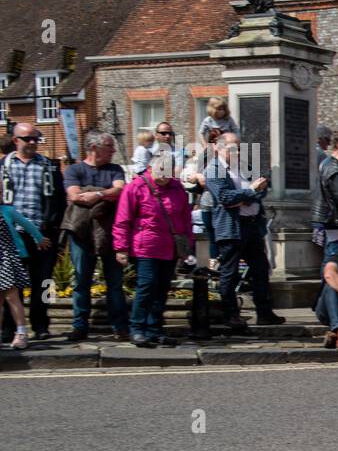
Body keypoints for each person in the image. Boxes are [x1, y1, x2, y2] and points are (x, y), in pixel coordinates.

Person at [112, 147, 195, 347]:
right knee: (146, 286)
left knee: (162, 289)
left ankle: (154, 329)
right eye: (161, 170)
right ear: (151, 167)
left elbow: (185, 219)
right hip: (145, 246)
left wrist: (187, 247)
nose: (164, 176)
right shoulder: (136, 187)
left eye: (168, 171)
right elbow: (123, 219)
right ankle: (137, 328)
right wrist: (121, 248)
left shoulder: (177, 189)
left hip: (169, 247)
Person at [205, 131, 285, 330]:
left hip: (252, 225)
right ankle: (231, 315)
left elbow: (262, 187)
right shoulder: (214, 170)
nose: (238, 152)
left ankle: (264, 313)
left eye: (240, 148)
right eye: (233, 148)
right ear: (220, 149)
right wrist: (250, 192)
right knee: (229, 274)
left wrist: (249, 194)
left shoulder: (244, 167)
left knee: (260, 270)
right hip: (232, 227)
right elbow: (225, 198)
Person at [0, 122, 65, 342]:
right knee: (10, 283)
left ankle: (41, 324)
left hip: (42, 235)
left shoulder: (50, 166)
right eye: (27, 139)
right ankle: (9, 328)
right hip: (10, 235)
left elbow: (59, 200)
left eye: (36, 138)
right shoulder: (3, 165)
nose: (33, 143)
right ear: (16, 140)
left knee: (44, 282)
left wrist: (53, 229)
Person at [63, 131, 129, 341]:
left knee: (115, 283)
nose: (113, 150)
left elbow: (120, 191)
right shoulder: (74, 169)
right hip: (82, 232)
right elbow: (74, 196)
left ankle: (119, 326)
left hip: (110, 232)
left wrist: (96, 194)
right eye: (109, 146)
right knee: (82, 280)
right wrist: (106, 194)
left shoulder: (115, 169)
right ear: (94, 147)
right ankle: (79, 326)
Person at [0, 200, 52, 349]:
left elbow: (27, 224)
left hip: (7, 259)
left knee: (12, 297)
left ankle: (21, 333)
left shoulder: (7, 210)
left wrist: (40, 238)